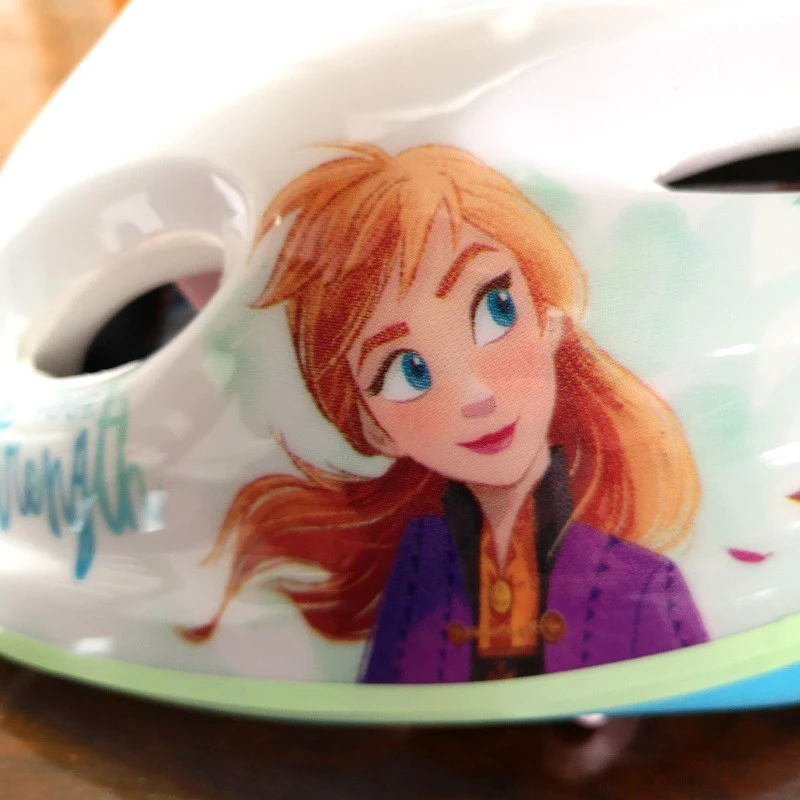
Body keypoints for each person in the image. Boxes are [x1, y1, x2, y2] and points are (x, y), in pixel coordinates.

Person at [182, 142, 709, 683]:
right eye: (406, 370)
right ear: (374, 428)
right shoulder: (414, 574)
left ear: (549, 319)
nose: (473, 395)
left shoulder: (642, 585)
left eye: (495, 310)